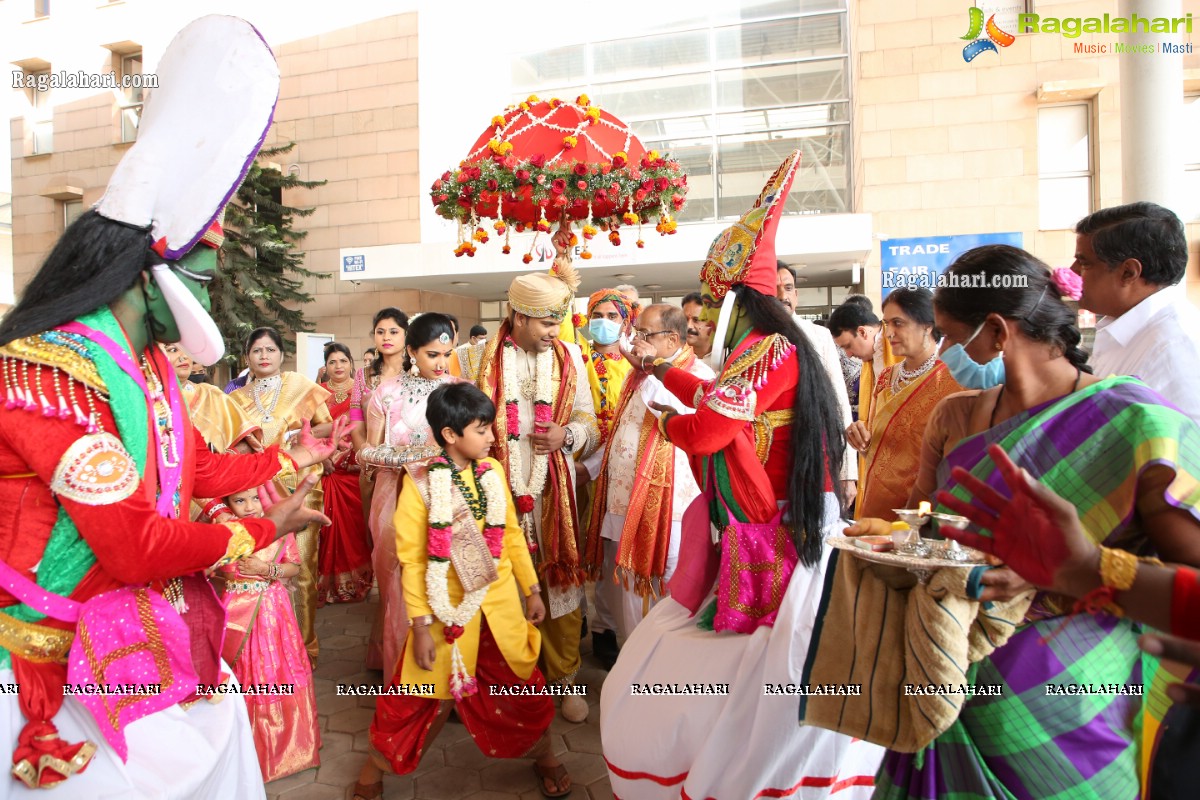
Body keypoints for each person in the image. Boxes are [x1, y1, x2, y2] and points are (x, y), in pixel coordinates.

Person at [0, 16, 344, 795]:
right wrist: (262, 527)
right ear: (153, 269)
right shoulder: (51, 374)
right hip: (35, 662)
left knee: (218, 748)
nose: (215, 294)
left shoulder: (143, 363)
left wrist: (288, 461)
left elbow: (193, 462)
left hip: (112, 635)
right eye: (208, 275)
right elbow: (131, 545)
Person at [864, 244, 1200, 800]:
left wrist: (1071, 569)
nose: (943, 350)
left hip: (1074, 701)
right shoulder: (956, 417)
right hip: (945, 674)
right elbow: (925, 525)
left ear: (997, 332)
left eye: (948, 334)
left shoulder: (1136, 423)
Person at [600, 150, 883, 799]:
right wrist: (661, 370)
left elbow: (707, 429)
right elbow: (715, 398)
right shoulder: (770, 348)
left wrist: (662, 424)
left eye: (716, 301)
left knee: (759, 676)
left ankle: (750, 777)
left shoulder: (767, 350)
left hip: (772, 529)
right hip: (774, 520)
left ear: (738, 297)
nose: (708, 314)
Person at [352, 382, 571, 800]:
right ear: (451, 436)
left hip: (499, 610)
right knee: (413, 701)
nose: (493, 437)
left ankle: (544, 755)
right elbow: (414, 562)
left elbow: (510, 536)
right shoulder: (419, 485)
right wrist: (418, 626)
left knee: (521, 691)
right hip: (442, 615)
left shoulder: (493, 473)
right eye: (482, 429)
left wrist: (531, 590)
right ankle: (374, 769)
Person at [475, 261, 599, 723]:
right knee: (502, 584)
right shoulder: (478, 360)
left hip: (553, 492)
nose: (555, 331)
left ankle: (563, 679)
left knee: (559, 583)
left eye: (558, 322)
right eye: (548, 322)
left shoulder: (569, 358)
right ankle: (510, 681)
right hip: (497, 491)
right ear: (520, 316)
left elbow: (589, 421)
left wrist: (567, 435)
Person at [582, 303, 713, 661]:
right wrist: (590, 469)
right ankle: (634, 666)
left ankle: (663, 674)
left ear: (671, 339)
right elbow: (618, 433)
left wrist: (652, 367)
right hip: (622, 503)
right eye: (636, 332)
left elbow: (671, 414)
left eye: (644, 334)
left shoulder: (696, 375)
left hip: (667, 510)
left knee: (664, 595)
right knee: (625, 596)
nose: (635, 340)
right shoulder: (638, 374)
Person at [358, 313, 458, 680]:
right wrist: (410, 459)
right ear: (412, 351)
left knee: (441, 581)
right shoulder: (385, 392)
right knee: (397, 583)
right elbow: (367, 452)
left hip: (445, 497)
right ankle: (402, 674)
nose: (442, 363)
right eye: (432, 354)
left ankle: (444, 677)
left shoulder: (459, 390)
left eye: (446, 353)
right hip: (393, 496)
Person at [230, 327, 335, 665]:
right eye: (257, 350)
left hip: (300, 487)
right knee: (258, 569)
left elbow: (327, 426)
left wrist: (295, 435)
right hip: (253, 494)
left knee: (301, 571)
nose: (264, 356)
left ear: (280, 355)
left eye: (270, 350)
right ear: (247, 356)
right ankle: (265, 648)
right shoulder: (234, 399)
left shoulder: (300, 388)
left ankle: (305, 649)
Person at [216, 488, 320, 782]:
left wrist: (266, 568)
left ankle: (284, 749)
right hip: (235, 617)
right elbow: (208, 568)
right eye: (239, 500)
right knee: (243, 673)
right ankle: (243, 750)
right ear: (226, 504)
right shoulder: (223, 531)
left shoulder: (277, 528)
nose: (250, 507)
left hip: (274, 614)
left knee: (275, 671)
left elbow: (295, 566)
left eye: (255, 498)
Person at [1073, 202, 1200, 420]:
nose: (1072, 272)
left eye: (1084, 263)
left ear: (1128, 272)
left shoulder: (1175, 348)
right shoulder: (1120, 327)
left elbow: (1187, 447)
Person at [845, 288, 961, 521]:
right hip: (876, 504)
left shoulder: (953, 380)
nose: (889, 333)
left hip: (922, 509)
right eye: (886, 323)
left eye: (898, 323)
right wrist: (860, 438)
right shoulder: (886, 377)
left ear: (928, 325)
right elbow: (878, 445)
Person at [776, 262, 859, 508]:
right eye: (776, 288)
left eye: (788, 288)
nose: (783, 296)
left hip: (815, 457)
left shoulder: (818, 336)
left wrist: (847, 473)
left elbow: (838, 404)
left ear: (796, 295)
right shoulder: (754, 338)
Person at [317, 343, 372, 603]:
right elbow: (310, 429)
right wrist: (324, 456)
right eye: (332, 362)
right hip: (327, 471)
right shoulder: (317, 394)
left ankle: (356, 583)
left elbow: (367, 428)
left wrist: (345, 450)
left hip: (353, 470)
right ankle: (327, 586)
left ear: (351, 363)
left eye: (343, 361)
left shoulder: (361, 392)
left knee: (356, 529)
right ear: (325, 367)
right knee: (325, 529)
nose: (338, 367)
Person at [162, 339, 259, 457]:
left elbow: (249, 443)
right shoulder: (146, 400)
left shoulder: (211, 395)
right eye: (173, 350)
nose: (184, 357)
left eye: (187, 350)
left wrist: (222, 459)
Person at [828, 300, 898, 426]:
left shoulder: (899, 345)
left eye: (848, 346)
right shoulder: (871, 355)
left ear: (862, 332)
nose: (848, 354)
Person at [681, 291, 713, 360]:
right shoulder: (673, 357)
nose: (688, 326)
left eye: (696, 320)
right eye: (685, 319)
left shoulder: (727, 356)